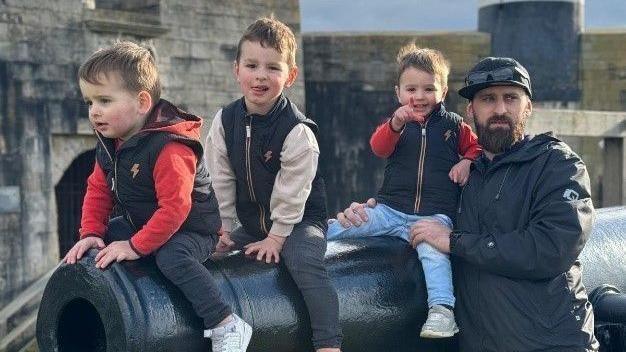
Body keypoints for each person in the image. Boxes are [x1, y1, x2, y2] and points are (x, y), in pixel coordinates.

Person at [342, 57, 600, 351]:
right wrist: (372, 211)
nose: (500, 109)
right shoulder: (458, 175)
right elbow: (414, 213)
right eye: (488, 99)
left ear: (528, 107)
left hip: (552, 345)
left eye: (510, 98)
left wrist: (455, 242)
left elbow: (552, 248)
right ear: (470, 110)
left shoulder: (557, 165)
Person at [62, 41, 251, 352]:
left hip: (192, 229)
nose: (94, 111)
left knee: (172, 256)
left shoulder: (169, 146)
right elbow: (98, 190)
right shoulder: (110, 143)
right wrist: (91, 233)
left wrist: (136, 246)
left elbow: (176, 208)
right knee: (104, 240)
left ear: (141, 102)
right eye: (89, 102)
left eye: (105, 100)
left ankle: (225, 322)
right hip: (147, 223)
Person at [204, 17, 342, 352]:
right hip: (253, 224)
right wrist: (221, 228)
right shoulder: (225, 121)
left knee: (305, 265)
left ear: (290, 76)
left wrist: (277, 237)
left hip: (298, 222)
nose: (261, 75)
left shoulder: (297, 131)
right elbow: (219, 177)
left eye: (273, 68)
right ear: (237, 70)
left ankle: (328, 343)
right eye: (251, 65)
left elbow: (292, 192)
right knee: (206, 251)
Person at [327, 43, 481, 338]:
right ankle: (308, 241)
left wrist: (467, 161)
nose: (419, 96)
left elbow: (478, 148)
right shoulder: (396, 125)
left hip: (434, 217)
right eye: (411, 89)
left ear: (443, 92)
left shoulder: (455, 127)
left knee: (433, 255)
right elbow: (378, 147)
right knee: (348, 227)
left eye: (428, 89)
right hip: (390, 209)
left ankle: (442, 310)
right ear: (398, 92)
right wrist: (396, 124)